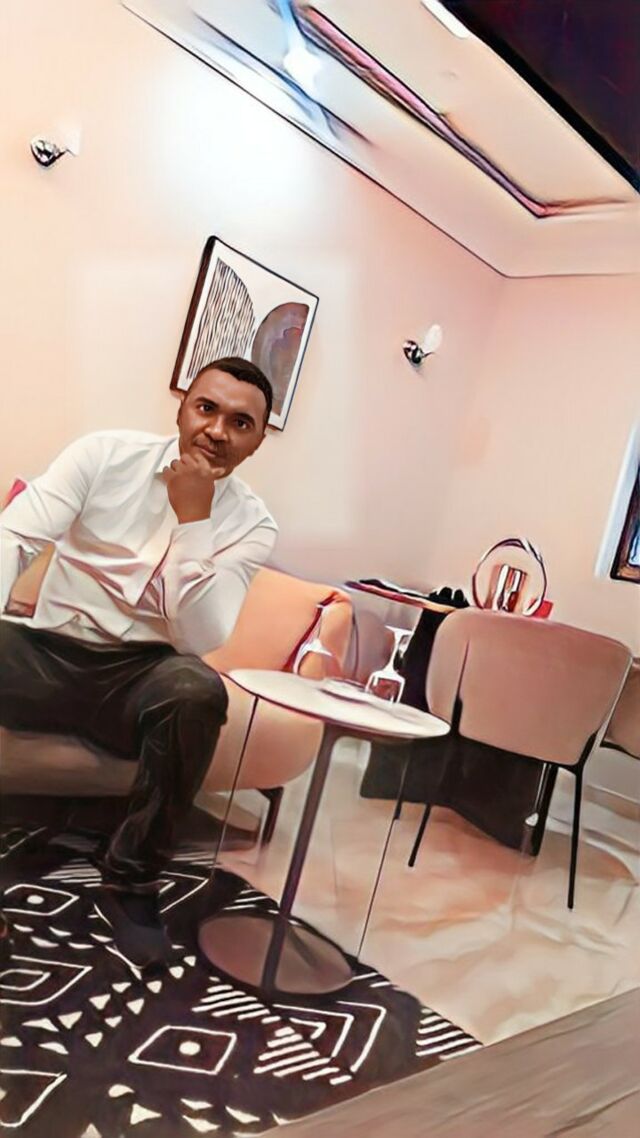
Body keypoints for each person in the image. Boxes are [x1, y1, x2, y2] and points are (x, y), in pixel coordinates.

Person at [0, 357, 277, 968]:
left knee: (197, 690)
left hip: (141, 676)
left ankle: (131, 882)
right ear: (182, 407)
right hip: (48, 652)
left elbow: (201, 635)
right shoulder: (105, 456)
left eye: (240, 423)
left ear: (259, 440)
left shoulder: (253, 525)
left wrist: (194, 519)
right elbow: (14, 536)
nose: (216, 432)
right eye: (206, 409)